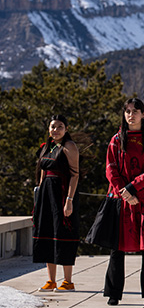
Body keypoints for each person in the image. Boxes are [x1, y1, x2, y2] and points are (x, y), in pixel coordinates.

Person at [102, 98, 144, 306]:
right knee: (117, 248)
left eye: (135, 111)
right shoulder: (116, 139)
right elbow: (110, 167)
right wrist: (124, 191)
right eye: (128, 111)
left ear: (143, 114)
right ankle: (114, 293)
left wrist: (133, 188)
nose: (131, 115)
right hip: (120, 198)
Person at [33, 115, 80, 292]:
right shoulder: (46, 147)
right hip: (46, 194)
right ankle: (51, 280)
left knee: (64, 233)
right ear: (49, 129)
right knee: (46, 232)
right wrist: (38, 198)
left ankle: (68, 281)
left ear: (66, 129)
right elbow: (43, 172)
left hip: (62, 193)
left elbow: (75, 175)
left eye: (60, 126)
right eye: (53, 126)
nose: (56, 130)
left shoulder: (69, 147)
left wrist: (69, 200)